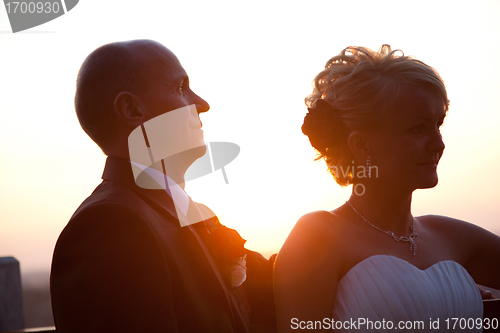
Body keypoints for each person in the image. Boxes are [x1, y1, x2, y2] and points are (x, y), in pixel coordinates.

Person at [50, 39, 275, 333]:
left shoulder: (180, 211)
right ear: (131, 108)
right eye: (181, 88)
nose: (202, 104)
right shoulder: (110, 224)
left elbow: (283, 285)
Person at [273, 45, 500, 332]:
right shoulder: (318, 237)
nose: (438, 144)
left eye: (438, 125)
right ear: (361, 145)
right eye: (417, 129)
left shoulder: (453, 236)